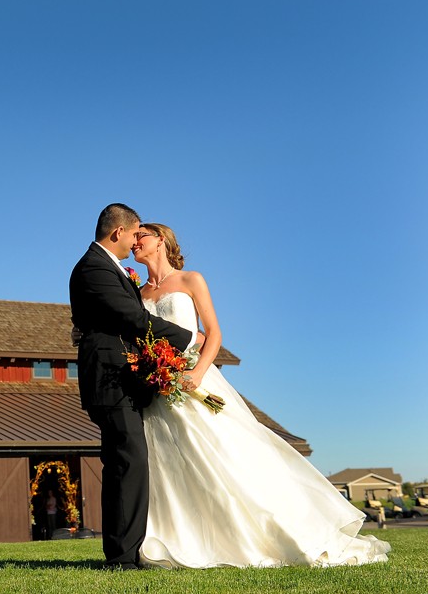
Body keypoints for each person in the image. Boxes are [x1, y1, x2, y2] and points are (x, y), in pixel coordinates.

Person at [131, 222, 390, 568]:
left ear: (160, 240)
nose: (134, 243)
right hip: (162, 390)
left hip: (198, 379)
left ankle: (269, 530)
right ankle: (184, 538)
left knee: (228, 455)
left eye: (140, 237)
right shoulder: (139, 294)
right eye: (132, 239)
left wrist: (196, 372)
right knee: (171, 465)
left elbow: (215, 333)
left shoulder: (191, 280)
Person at [68, 203, 194, 570]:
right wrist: (189, 339)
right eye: (134, 232)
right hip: (109, 377)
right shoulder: (93, 267)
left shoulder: (109, 268)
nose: (136, 239)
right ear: (117, 232)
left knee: (126, 461)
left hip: (124, 377)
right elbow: (132, 318)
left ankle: (124, 551)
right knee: (128, 460)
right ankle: (122, 557)